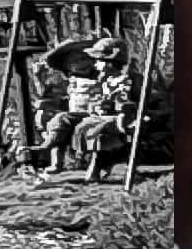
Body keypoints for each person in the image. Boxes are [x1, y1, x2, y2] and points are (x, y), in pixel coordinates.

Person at [32, 35, 135, 178]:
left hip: (98, 114)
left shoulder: (106, 78)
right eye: (77, 61)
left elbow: (118, 98)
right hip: (80, 113)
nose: (87, 64)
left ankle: (95, 166)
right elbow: (54, 95)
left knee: (86, 126)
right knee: (60, 120)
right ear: (67, 66)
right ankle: (52, 156)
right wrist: (39, 80)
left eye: (87, 59)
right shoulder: (71, 81)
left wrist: (105, 103)